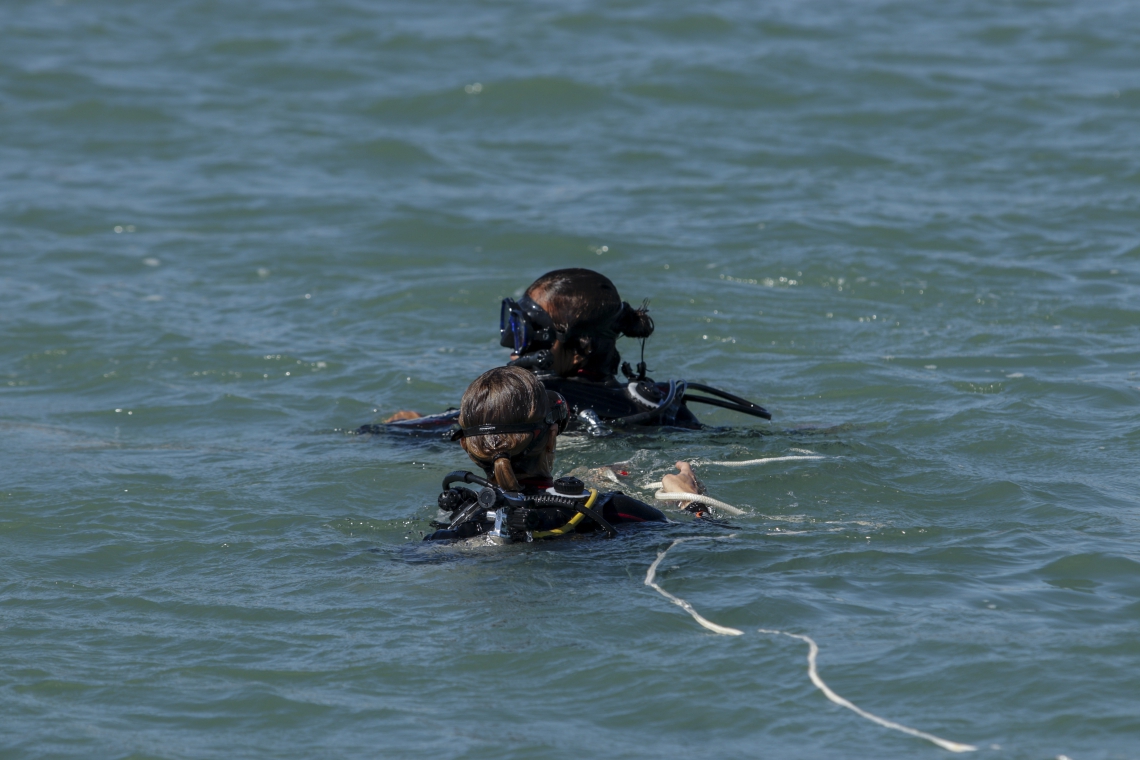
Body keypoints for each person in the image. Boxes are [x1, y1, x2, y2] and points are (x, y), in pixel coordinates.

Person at [373, 268, 769, 435]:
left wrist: (404, 426)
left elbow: (416, 435)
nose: (513, 346)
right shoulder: (654, 404)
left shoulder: (533, 402)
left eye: (526, 332)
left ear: (576, 351)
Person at [423, 366, 703, 542]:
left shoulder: (458, 517)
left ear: (467, 446)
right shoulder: (611, 510)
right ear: (552, 436)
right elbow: (712, 539)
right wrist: (690, 501)